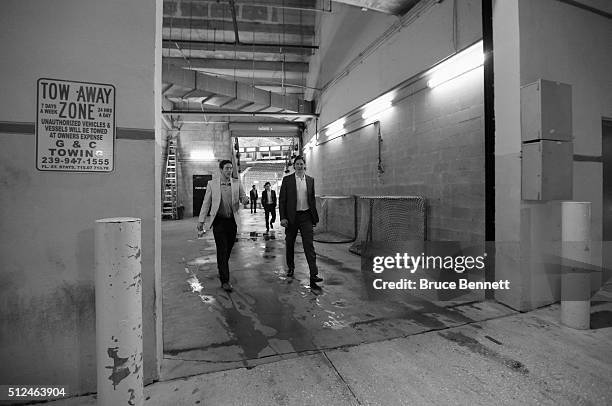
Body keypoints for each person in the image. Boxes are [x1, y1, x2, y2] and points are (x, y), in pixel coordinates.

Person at [197, 160, 249, 292]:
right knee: (222, 249)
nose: (229, 170)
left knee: (228, 250)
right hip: (219, 222)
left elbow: (243, 196)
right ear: (221, 169)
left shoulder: (237, 183)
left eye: (231, 168)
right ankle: (225, 280)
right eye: (226, 168)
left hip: (232, 221)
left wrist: (245, 200)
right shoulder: (212, 184)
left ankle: (222, 265)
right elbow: (206, 203)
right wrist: (201, 220)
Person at [279, 156, 323, 289]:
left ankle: (313, 274)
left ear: (305, 165)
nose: (299, 166)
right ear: (294, 166)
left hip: (306, 216)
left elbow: (312, 200)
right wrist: (283, 217)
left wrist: (314, 218)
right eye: (297, 164)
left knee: (309, 245)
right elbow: (282, 200)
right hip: (292, 217)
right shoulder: (287, 180)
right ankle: (291, 268)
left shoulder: (310, 180)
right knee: (290, 243)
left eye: (301, 164)